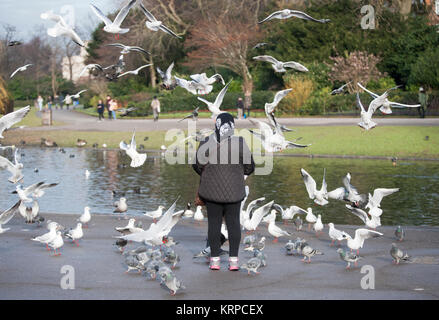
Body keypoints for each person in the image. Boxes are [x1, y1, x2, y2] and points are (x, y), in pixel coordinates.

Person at [193, 113, 255, 271]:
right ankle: (233, 261)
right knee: (233, 224)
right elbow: (250, 167)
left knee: (213, 225)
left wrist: (209, 175)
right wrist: (239, 173)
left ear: (217, 124)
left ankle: (214, 261)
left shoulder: (206, 141)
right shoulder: (240, 143)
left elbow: (197, 165)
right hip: (235, 191)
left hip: (211, 191)